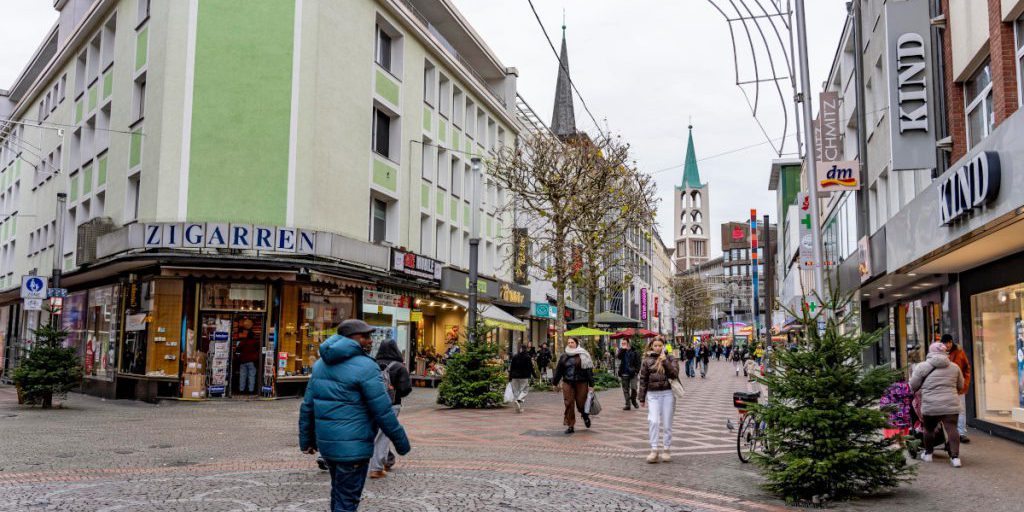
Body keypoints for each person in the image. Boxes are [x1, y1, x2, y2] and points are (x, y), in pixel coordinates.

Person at [299, 319, 411, 511]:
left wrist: (306, 440)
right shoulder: (366, 366)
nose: (370, 341)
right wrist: (401, 442)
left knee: (339, 495)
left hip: (329, 447)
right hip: (354, 449)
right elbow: (383, 410)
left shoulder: (320, 365)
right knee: (347, 501)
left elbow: (307, 406)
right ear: (351, 338)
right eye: (365, 336)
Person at [910, 342, 965, 468]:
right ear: (945, 352)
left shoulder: (922, 367)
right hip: (951, 404)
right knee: (952, 428)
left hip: (930, 404)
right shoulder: (954, 367)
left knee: (928, 429)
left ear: (930, 352)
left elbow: (913, 385)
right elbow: (960, 386)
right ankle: (955, 458)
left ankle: (928, 454)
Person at [368, 339, 412, 479]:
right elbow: (406, 389)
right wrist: (395, 390)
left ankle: (384, 460)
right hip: (392, 405)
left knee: (373, 433)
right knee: (384, 435)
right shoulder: (399, 367)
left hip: (372, 404)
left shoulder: (372, 364)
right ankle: (376, 467)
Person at [638, 337, 679, 463]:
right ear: (651, 346)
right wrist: (642, 397)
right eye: (655, 345)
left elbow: (674, 374)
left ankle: (666, 449)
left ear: (664, 346)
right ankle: (654, 450)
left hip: (668, 393)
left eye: (660, 345)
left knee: (667, 423)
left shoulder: (671, 358)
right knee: (653, 421)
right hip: (653, 394)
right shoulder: (646, 360)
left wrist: (665, 361)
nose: (657, 348)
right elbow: (643, 379)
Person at [552, 338, 595, 434]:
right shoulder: (564, 356)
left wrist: (591, 384)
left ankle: (584, 415)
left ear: (577, 343)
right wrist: (555, 383)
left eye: (572, 342)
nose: (570, 344)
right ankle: (570, 425)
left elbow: (589, 371)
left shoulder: (583, 355)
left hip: (581, 382)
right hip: (568, 382)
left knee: (581, 404)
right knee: (569, 403)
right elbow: (559, 371)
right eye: (568, 343)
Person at [941, 334, 972, 444]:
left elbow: (967, 369)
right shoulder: (938, 354)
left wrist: (965, 384)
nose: (948, 345)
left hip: (958, 387)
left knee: (961, 410)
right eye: (945, 343)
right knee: (946, 410)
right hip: (944, 387)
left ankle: (962, 433)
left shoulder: (959, 353)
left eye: (949, 342)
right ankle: (951, 433)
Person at [508, 345, 537, 413]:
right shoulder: (527, 357)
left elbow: (511, 367)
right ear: (526, 350)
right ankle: (519, 400)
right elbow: (531, 367)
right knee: (525, 390)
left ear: (520, 349)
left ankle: (518, 408)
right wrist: (535, 376)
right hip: (524, 376)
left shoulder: (515, 356)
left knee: (516, 391)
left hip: (515, 376)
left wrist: (510, 377)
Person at [616, 339, 641, 410]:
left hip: (633, 373)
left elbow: (638, 362)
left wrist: (637, 371)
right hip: (624, 373)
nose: (623, 344)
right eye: (622, 343)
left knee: (634, 388)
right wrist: (623, 350)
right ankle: (628, 404)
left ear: (628, 343)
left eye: (624, 343)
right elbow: (619, 357)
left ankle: (633, 400)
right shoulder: (621, 351)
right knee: (625, 390)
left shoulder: (635, 351)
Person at [234, 329, 261, 395]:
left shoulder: (243, 341)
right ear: (253, 336)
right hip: (252, 361)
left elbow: (237, 349)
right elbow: (258, 350)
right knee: (251, 376)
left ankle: (241, 390)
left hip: (243, 361)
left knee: (242, 376)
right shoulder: (255, 342)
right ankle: (251, 390)